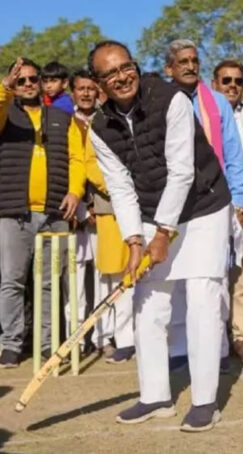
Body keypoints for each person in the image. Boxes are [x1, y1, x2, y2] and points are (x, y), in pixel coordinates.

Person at [88, 40, 231, 431]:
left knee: (202, 299)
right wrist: (135, 240)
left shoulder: (171, 100)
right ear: (99, 84)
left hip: (204, 207)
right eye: (110, 74)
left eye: (126, 67)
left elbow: (182, 171)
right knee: (147, 303)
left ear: (135, 66)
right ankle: (155, 396)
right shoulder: (99, 128)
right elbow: (120, 187)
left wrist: (164, 233)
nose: (122, 77)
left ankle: (204, 401)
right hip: (152, 211)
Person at [163, 39, 243, 372]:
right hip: (174, 202)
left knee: (214, 279)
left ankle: (217, 350)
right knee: (176, 277)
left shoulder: (217, 103)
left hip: (216, 200)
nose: (190, 66)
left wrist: (238, 201)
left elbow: (234, 156)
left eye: (194, 60)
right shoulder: (160, 102)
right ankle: (180, 349)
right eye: (182, 61)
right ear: (169, 68)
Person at [0, 57, 84, 368]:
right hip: (13, 213)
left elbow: (77, 158)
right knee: (12, 281)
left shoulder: (62, 116)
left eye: (32, 79)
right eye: (20, 80)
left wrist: (75, 191)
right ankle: (10, 343)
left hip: (54, 213)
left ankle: (47, 343)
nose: (27, 85)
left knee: (49, 282)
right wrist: (4, 89)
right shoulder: (6, 113)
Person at [71, 69, 136, 362]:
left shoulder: (128, 118)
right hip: (109, 208)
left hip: (138, 207)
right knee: (109, 275)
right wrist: (117, 187)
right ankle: (108, 337)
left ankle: (128, 338)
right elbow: (88, 164)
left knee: (133, 273)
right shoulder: (96, 124)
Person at [211, 58, 243, 368]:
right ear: (214, 84)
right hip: (216, 200)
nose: (232, 86)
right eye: (226, 80)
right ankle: (215, 340)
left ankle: (241, 337)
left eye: (238, 81)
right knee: (216, 273)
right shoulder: (205, 113)